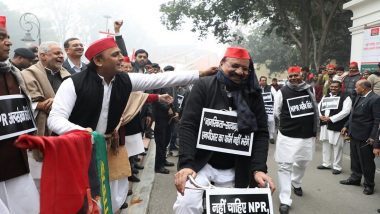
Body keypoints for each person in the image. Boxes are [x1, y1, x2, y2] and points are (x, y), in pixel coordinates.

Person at [47, 37, 217, 213]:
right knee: (78, 200)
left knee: (109, 198)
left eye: (120, 53)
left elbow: (162, 79)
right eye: (115, 55)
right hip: (76, 151)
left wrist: (200, 73)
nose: (122, 58)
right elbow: (55, 119)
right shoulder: (72, 84)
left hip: (106, 149)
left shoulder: (125, 80)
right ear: (98, 61)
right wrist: (82, 133)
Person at [173, 47, 275, 214]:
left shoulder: (253, 95)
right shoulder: (203, 86)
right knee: (187, 204)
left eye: (245, 69)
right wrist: (186, 164)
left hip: (237, 167)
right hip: (202, 164)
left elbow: (261, 133)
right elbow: (188, 125)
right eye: (234, 66)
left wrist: (259, 169)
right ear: (221, 64)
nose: (240, 72)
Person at [0, 15, 39, 214]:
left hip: (16, 158)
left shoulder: (12, 73)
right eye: (1, 37)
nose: (9, 42)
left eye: (7, 36)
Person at [274, 66, 318, 214]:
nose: (293, 78)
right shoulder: (282, 92)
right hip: (287, 135)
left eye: (295, 75)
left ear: (301, 75)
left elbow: (314, 109)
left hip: (306, 136)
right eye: (290, 76)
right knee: (284, 166)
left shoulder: (309, 90)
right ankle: (285, 199)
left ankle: (296, 181)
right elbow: (277, 112)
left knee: (302, 163)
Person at [340, 80, 380, 195]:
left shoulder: (375, 99)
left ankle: (369, 185)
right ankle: (355, 178)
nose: (354, 89)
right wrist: (346, 126)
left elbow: (377, 120)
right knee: (355, 158)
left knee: (367, 162)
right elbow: (353, 114)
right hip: (354, 133)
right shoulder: (359, 96)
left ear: (363, 88)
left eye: (356, 87)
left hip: (366, 136)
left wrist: (373, 137)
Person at [317, 81, 352, 174]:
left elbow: (346, 111)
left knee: (337, 146)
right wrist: (320, 116)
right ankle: (326, 163)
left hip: (337, 125)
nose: (333, 88)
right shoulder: (326, 96)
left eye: (336, 87)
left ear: (340, 88)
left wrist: (331, 118)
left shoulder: (346, 97)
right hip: (325, 124)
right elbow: (319, 106)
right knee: (326, 144)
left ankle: (337, 166)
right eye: (332, 87)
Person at [259, 76, 277, 144]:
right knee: (262, 122)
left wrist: (274, 106)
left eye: (265, 80)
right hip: (261, 108)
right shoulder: (257, 88)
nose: (263, 81)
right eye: (262, 80)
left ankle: (271, 136)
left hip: (269, 107)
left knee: (271, 120)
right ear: (259, 81)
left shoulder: (270, 87)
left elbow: (276, 96)